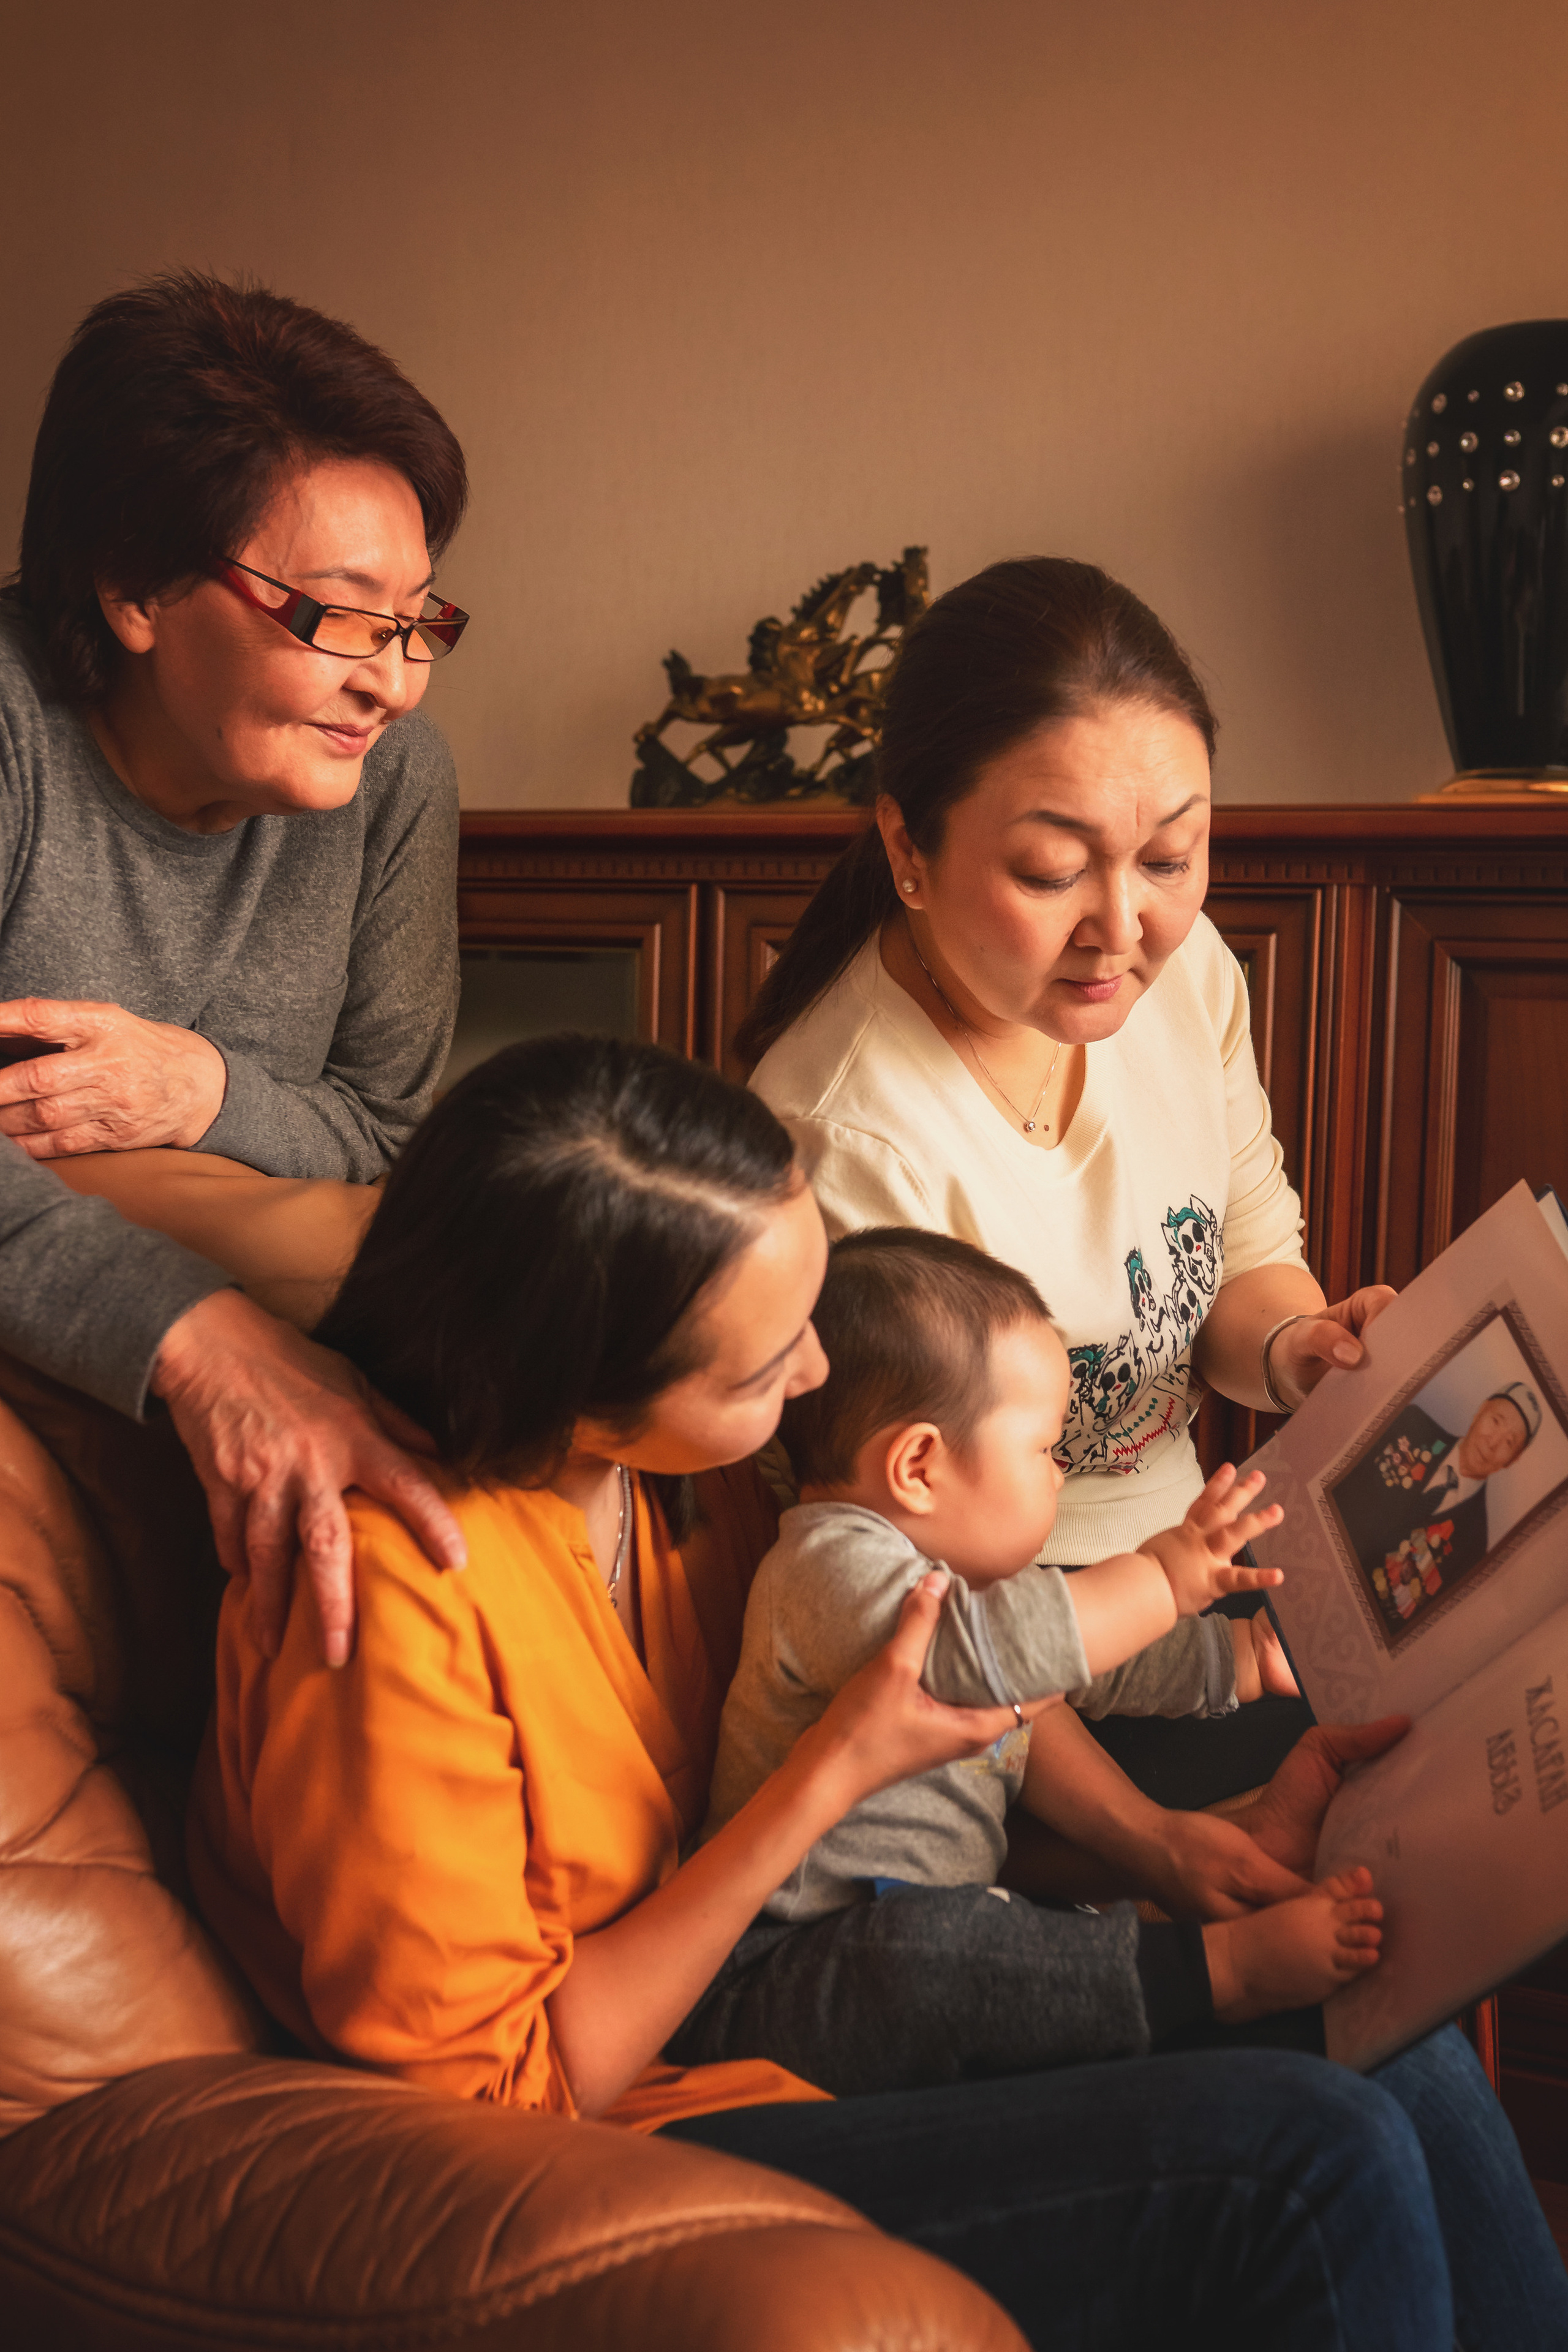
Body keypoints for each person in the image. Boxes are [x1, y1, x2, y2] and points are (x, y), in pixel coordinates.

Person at [189, 1035, 1566, 2352]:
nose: (814, 1372)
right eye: (764, 1362)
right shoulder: (379, 1603)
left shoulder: (670, 1487)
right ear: (588, 1399)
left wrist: (1163, 1854)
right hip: (610, 2136)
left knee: (1387, 2034)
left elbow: (929, 1704)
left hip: (809, 1987)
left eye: (805, 1308)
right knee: (1311, 2159)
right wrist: (833, 1777)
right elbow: (507, 2106)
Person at [738, 554, 1391, 1829]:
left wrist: (1302, 1348)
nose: (1124, 927)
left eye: (1169, 857)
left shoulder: (1182, 974)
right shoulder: (845, 1131)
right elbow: (921, 1623)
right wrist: (1156, 1850)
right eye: (1050, 872)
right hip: (1013, 1699)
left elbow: (1244, 1259)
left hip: (1208, 1593)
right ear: (906, 850)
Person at [0, 271, 473, 1657]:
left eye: (418, 622)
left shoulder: (394, 781)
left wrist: (201, 1087)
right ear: (136, 585)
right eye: (335, 616)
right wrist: (193, 1333)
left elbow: (387, 1125)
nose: (387, 680)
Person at [675, 1226, 1382, 2098]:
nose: (1058, 1476)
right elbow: (995, 1653)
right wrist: (1161, 1575)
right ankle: (1220, 1972)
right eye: (1044, 1451)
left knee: (981, 1942)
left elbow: (1078, 1664)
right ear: (920, 1465)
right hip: (790, 1975)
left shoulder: (954, 1580)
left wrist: (1238, 1656)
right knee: (941, 1949)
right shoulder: (826, 1565)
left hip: (928, 1943)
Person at [1330, 1381, 1540, 1629]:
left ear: (1513, 1460)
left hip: (1347, 1623)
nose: (1493, 1443)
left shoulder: (1474, 1546)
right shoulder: (1410, 1426)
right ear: (1481, 1410)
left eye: (1509, 1443)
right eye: (1496, 1421)